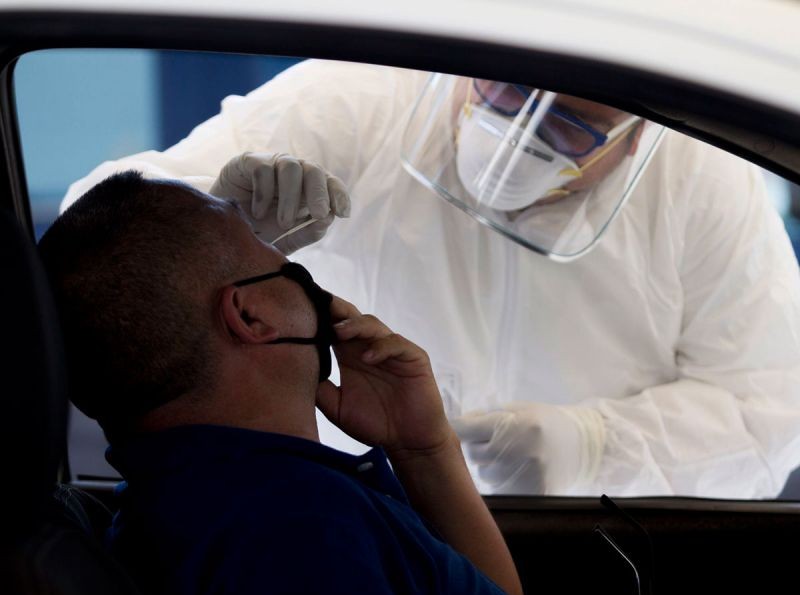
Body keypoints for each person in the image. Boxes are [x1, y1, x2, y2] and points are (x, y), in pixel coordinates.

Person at [62, 59, 800, 498]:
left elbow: (774, 407)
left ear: (637, 134)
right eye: (502, 90)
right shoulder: (356, 98)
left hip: (586, 530)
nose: (516, 133)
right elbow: (96, 231)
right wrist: (212, 213)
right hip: (343, 503)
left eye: (570, 126)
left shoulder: (700, 180)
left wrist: (592, 448)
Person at [38, 172, 523, 595]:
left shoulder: (188, 500)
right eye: (257, 239)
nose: (286, 256)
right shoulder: (299, 529)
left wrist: (423, 449)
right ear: (250, 316)